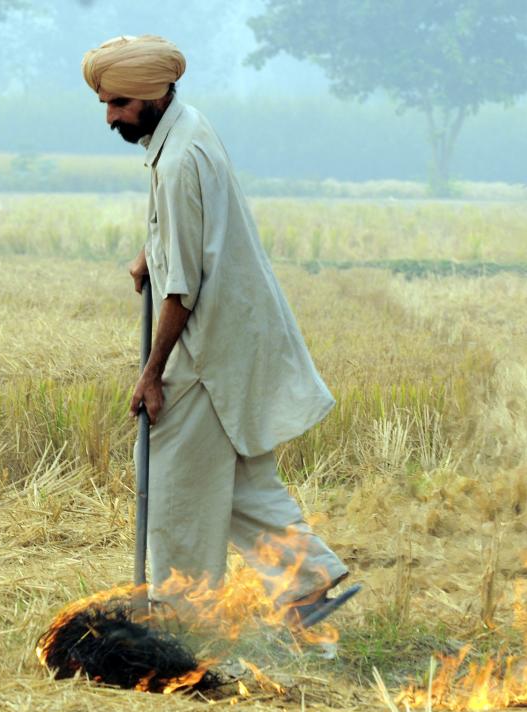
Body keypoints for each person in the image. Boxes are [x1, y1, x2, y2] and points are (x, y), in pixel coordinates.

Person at [81, 35, 349, 627]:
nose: (111, 117)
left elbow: (183, 289)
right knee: (238, 480)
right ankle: (309, 585)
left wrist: (151, 374)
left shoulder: (177, 161)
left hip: (207, 350)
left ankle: (182, 622)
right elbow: (193, 236)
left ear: (153, 94)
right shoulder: (188, 128)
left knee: (172, 481)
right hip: (235, 334)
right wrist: (152, 251)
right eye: (105, 103)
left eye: (120, 103)